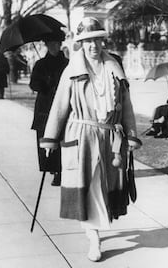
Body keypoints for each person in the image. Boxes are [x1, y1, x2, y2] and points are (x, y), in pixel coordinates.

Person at [39, 17, 141, 262]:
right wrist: (51, 138)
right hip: (81, 136)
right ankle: (94, 239)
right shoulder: (71, 71)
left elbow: (126, 105)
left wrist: (132, 135)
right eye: (87, 41)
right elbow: (59, 105)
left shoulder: (114, 68)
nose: (93, 46)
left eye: (96, 40)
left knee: (105, 187)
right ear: (81, 44)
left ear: (102, 41)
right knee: (89, 186)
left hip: (109, 137)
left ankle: (93, 229)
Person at [30, 31, 68, 186]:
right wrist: (45, 82)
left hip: (63, 106)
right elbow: (33, 84)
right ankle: (51, 168)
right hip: (45, 107)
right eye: (50, 44)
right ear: (46, 45)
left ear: (60, 45)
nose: (53, 46)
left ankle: (60, 171)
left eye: (56, 44)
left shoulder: (67, 64)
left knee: (61, 139)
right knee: (46, 139)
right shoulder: (40, 65)